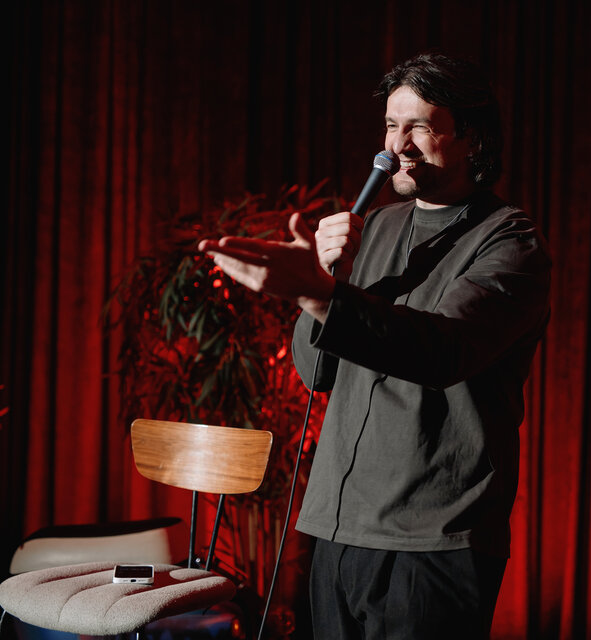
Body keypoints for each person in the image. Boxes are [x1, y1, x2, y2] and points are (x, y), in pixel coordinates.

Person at [201, 53, 551, 639]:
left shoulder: (510, 242)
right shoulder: (376, 227)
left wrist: (321, 295)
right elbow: (316, 372)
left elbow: (441, 352)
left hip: (434, 535)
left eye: (420, 126)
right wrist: (324, 281)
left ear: (471, 137)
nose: (398, 146)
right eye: (391, 125)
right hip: (338, 525)